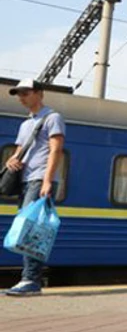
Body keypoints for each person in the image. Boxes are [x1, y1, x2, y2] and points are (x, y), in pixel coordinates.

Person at [4, 78, 65, 297]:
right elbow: (19, 151)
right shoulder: (25, 124)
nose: (21, 97)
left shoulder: (53, 117)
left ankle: (30, 279)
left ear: (39, 93)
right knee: (27, 227)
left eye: (25, 93)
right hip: (26, 180)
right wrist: (11, 160)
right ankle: (29, 279)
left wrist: (47, 180)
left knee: (32, 229)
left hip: (40, 178)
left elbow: (56, 150)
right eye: (19, 94)